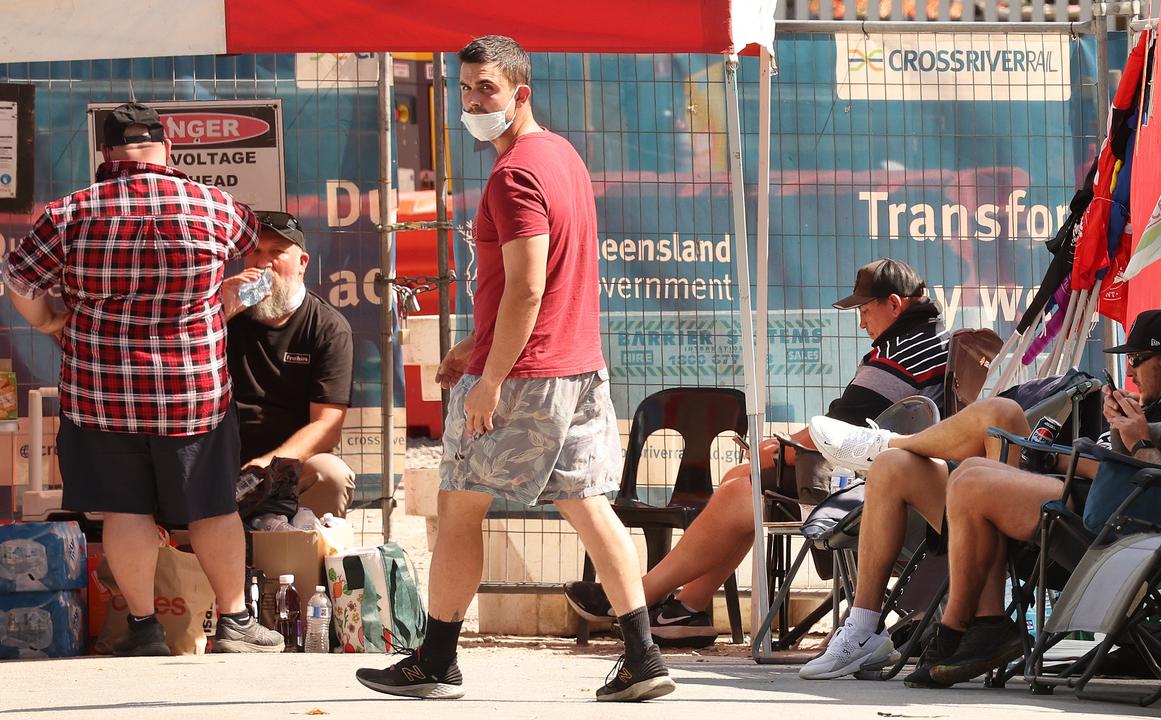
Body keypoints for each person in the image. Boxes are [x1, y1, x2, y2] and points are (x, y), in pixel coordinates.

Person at [354, 36, 672, 703]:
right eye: (466, 90)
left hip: (527, 374)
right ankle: (644, 656)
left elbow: (529, 286)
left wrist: (491, 378)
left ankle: (437, 660)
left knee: (460, 506)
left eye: (486, 90)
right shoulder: (561, 154)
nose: (473, 102)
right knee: (591, 509)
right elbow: (534, 282)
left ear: (520, 92)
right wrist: (474, 345)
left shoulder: (515, 173)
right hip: (577, 366)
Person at [2, 102, 282, 655]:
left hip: (99, 390)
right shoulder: (214, 205)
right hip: (193, 391)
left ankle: (143, 628)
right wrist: (219, 303)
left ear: (105, 153)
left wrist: (52, 320)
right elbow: (256, 253)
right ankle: (235, 624)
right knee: (212, 505)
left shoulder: (68, 213)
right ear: (168, 149)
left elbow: (18, 280)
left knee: (125, 510)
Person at [799, 307, 1161, 684]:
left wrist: (1083, 452)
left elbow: (1145, 476)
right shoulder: (1141, 407)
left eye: (1135, 360)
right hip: (1036, 498)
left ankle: (885, 441)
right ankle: (863, 627)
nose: (1129, 372)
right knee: (894, 469)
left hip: (1073, 521)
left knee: (1001, 416)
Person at [565, 258, 950, 647]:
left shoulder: (900, 353)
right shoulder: (931, 339)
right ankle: (688, 608)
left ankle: (636, 597)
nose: (862, 322)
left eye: (866, 311)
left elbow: (839, 431)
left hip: (880, 487)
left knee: (740, 489)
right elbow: (852, 424)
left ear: (896, 305)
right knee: (740, 482)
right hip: (892, 475)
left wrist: (779, 449)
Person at [222, 211, 355, 518]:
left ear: (302, 263)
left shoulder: (326, 327)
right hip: (219, 459)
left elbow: (327, 425)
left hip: (287, 466)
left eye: (276, 252)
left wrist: (265, 465)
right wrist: (219, 315)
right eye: (255, 252)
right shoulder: (222, 315)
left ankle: (306, 557)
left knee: (331, 474)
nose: (263, 262)